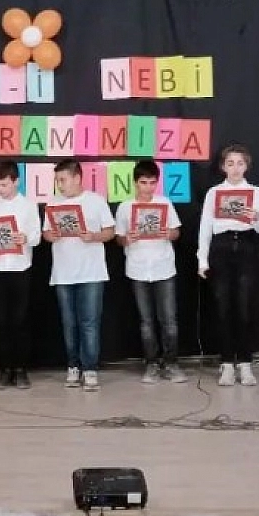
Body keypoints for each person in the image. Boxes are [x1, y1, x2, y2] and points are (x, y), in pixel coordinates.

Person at [197, 144, 259, 387]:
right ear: (223, 167)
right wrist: (202, 259)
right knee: (223, 308)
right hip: (221, 247)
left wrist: (256, 217)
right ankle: (227, 363)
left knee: (244, 307)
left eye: (240, 163)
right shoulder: (214, 192)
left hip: (247, 247)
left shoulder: (256, 192)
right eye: (230, 163)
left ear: (247, 166)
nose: (235, 168)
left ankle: (245, 363)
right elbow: (205, 228)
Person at [43, 158, 115, 392]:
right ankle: (73, 366)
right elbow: (46, 233)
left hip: (91, 272)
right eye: (57, 181)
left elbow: (110, 231)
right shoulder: (53, 202)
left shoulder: (96, 201)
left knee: (89, 323)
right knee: (69, 324)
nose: (60, 185)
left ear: (77, 178)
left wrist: (93, 236)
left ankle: (90, 368)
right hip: (63, 273)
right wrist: (51, 236)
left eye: (63, 180)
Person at [114, 159, 186, 384]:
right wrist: (127, 238)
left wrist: (168, 233)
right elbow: (118, 238)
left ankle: (171, 363)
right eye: (143, 183)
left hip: (164, 267)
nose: (148, 188)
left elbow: (176, 232)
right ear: (135, 183)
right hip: (137, 268)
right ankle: (151, 363)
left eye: (152, 183)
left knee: (169, 320)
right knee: (146, 321)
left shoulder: (164, 203)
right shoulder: (125, 207)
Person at [0, 160, 41, 389]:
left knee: (20, 320)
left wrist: (25, 238)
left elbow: (36, 236)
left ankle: (21, 368)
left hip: (20, 267)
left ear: (16, 181)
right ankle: (5, 369)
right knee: (0, 321)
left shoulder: (29, 205)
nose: (1, 189)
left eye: (4, 185)